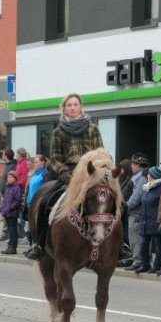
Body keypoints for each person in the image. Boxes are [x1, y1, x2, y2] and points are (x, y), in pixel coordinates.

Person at [25, 93, 104, 260]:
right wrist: (65, 173)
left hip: (92, 175)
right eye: (69, 105)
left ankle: (121, 246)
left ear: (81, 107)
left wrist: (99, 170)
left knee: (119, 203)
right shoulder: (58, 131)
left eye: (76, 104)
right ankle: (38, 243)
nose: (73, 107)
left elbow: (101, 153)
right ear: (64, 109)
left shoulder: (93, 128)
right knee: (45, 202)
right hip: (68, 175)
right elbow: (55, 158)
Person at [136, 166, 161, 274]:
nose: (147, 176)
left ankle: (156, 266)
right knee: (143, 244)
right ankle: (145, 265)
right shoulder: (147, 188)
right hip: (144, 222)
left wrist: (160, 220)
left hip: (155, 222)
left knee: (158, 245)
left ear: (152, 176)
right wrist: (139, 218)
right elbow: (143, 204)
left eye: (148, 174)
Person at [124, 152, 149, 271]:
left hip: (135, 213)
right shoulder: (139, 176)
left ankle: (138, 261)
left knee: (136, 239)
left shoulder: (141, 177)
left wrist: (125, 207)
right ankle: (137, 260)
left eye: (133, 164)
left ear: (138, 165)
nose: (131, 166)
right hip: (133, 212)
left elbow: (136, 196)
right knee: (134, 238)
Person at [22, 154, 52, 249]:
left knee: (36, 227)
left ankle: (38, 247)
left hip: (38, 204)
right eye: (34, 162)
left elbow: (45, 189)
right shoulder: (34, 174)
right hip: (29, 204)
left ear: (43, 162)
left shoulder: (46, 174)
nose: (35, 164)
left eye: (37, 162)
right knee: (30, 227)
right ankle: (31, 247)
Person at [0, 170, 22, 255]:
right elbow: (5, 200)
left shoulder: (16, 188)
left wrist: (9, 208)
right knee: (10, 231)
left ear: (15, 179)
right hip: (7, 213)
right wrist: (2, 208)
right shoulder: (8, 187)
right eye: (8, 177)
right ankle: (9, 246)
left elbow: (17, 201)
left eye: (11, 177)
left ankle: (13, 247)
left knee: (13, 231)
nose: (9, 179)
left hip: (12, 213)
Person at [0, 148, 17, 241]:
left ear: (6, 155)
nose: (2, 156)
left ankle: (6, 234)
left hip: (8, 193)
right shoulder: (7, 165)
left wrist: (7, 192)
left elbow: (10, 179)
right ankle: (5, 233)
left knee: (7, 214)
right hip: (4, 193)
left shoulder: (11, 166)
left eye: (3, 154)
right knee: (4, 214)